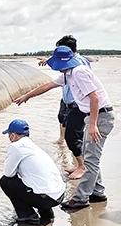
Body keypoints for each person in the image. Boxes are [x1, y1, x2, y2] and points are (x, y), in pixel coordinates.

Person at [15, 46, 115, 209]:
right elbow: (48, 86)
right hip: (94, 116)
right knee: (90, 156)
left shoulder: (78, 72)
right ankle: (98, 192)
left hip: (100, 117)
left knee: (91, 160)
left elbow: (94, 97)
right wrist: (27, 96)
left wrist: (92, 124)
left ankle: (81, 199)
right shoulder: (68, 74)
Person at [37, 35, 88, 179]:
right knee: (63, 122)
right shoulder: (70, 64)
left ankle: (82, 166)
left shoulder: (79, 65)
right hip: (67, 99)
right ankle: (78, 162)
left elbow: (94, 95)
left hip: (77, 103)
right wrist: (47, 60)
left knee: (74, 136)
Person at [0, 119, 65, 226]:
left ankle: (27, 215)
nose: (9, 138)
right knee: (35, 180)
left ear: (14, 135)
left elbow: (8, 174)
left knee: (5, 181)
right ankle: (46, 213)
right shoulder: (33, 146)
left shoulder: (16, 146)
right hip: (59, 195)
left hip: (47, 199)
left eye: (9, 135)